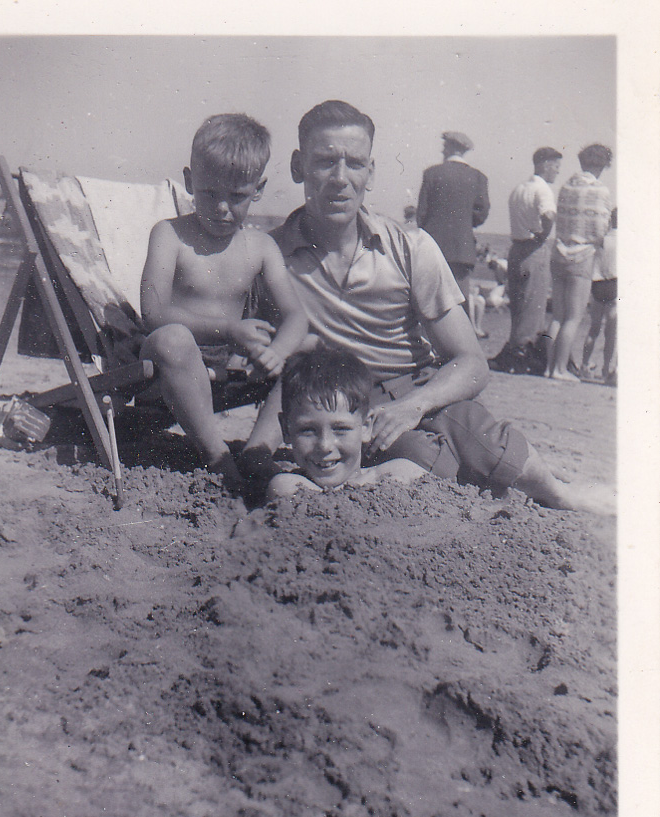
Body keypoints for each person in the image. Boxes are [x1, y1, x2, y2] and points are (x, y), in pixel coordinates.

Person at [243, 100, 613, 515]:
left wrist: (413, 406)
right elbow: (269, 362)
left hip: (409, 388)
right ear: (298, 166)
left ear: (371, 171)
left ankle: (558, 493)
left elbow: (472, 363)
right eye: (325, 162)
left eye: (355, 164)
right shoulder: (269, 255)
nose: (341, 179)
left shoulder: (409, 247)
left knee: (473, 433)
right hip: (329, 403)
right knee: (418, 460)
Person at [139, 113, 308, 490]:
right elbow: (152, 313)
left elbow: (297, 316)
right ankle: (219, 458)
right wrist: (231, 330)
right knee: (173, 338)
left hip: (227, 373)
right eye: (209, 193)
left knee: (306, 352)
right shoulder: (170, 235)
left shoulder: (262, 247)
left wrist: (276, 352)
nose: (221, 208)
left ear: (258, 189)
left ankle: (257, 451)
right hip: (168, 367)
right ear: (188, 182)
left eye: (237, 196)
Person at [267, 345, 428, 497]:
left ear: (366, 426)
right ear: (286, 429)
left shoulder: (400, 473)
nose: (325, 446)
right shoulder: (289, 487)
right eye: (308, 430)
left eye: (340, 429)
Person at [543, 143, 613, 382]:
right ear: (603, 166)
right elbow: (601, 230)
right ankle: (559, 370)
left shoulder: (566, 186)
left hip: (559, 253)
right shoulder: (601, 190)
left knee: (557, 317)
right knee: (573, 318)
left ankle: (548, 367)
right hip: (581, 256)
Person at [491, 147, 562, 375]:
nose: (557, 172)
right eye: (555, 167)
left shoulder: (519, 189)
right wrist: (543, 234)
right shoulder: (543, 190)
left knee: (518, 306)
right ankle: (520, 356)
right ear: (544, 165)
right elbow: (549, 215)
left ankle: (514, 350)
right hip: (535, 249)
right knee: (534, 307)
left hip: (516, 249)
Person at [416, 130, 490, 303]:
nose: (442, 151)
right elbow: (482, 213)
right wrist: (463, 224)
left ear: (449, 148)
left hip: (432, 250)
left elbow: (421, 214)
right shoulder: (478, 177)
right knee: (459, 305)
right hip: (462, 252)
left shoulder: (431, 174)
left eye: (444, 147)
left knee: (429, 303)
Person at [580, 207, 617, 385]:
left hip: (598, 284)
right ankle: (605, 370)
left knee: (593, 329)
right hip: (615, 285)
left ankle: (585, 365)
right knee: (611, 334)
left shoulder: (602, 240)